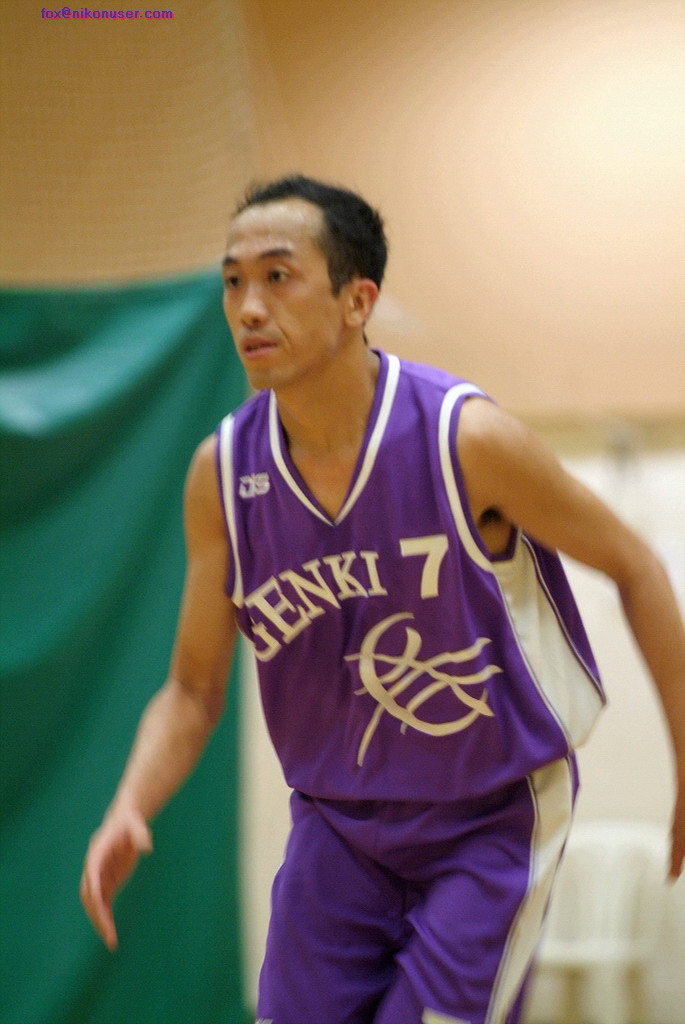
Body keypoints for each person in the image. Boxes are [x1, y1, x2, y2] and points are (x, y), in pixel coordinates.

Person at [80, 174, 685, 1024]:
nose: (248, 307)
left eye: (278, 276)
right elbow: (191, 689)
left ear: (356, 300)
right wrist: (128, 805)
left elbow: (635, 564)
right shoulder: (221, 475)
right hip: (335, 829)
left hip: (488, 820)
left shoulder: (465, 439)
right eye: (233, 281)